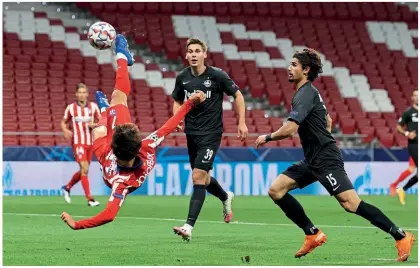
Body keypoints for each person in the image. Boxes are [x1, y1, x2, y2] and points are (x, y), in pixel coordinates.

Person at [255, 48, 415, 261]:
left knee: (351, 204)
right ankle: (312, 234)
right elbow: (328, 121)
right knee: (277, 190)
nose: (289, 68)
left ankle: (401, 235)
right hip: (313, 158)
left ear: (306, 69)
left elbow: (290, 129)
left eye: (294, 65)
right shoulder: (309, 92)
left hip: (326, 159)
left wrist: (267, 137)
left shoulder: (304, 94)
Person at [61, 34, 206, 230]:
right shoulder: (144, 150)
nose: (136, 129)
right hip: (119, 158)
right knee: (117, 100)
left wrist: (78, 224)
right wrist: (190, 103)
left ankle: (106, 108)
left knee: (99, 129)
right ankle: (121, 60)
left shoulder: (115, 169)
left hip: (107, 160)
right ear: (137, 143)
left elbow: (108, 215)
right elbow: (169, 126)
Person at [171, 38, 248, 241]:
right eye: (190, 51)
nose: (194, 54)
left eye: (198, 51)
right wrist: (177, 119)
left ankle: (188, 226)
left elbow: (238, 96)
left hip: (211, 134)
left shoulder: (217, 75)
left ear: (205, 54)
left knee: (197, 177)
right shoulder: (182, 77)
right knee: (203, 180)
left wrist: (241, 122)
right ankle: (225, 196)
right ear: (186, 55)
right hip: (191, 133)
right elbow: (178, 100)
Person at [61, 83, 101, 207]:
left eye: (84, 92)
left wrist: (93, 125)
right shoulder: (71, 108)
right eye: (80, 92)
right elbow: (63, 122)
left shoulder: (93, 107)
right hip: (78, 142)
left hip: (90, 143)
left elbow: (101, 122)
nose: (82, 95)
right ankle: (90, 199)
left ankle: (67, 187)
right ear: (76, 94)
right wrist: (65, 130)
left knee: (84, 170)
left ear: (87, 94)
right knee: (84, 167)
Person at [395, 89, 418, 205]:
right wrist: (407, 134)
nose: (417, 97)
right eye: (415, 95)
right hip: (415, 145)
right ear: (412, 98)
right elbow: (398, 127)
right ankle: (402, 189)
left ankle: (402, 189)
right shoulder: (408, 112)